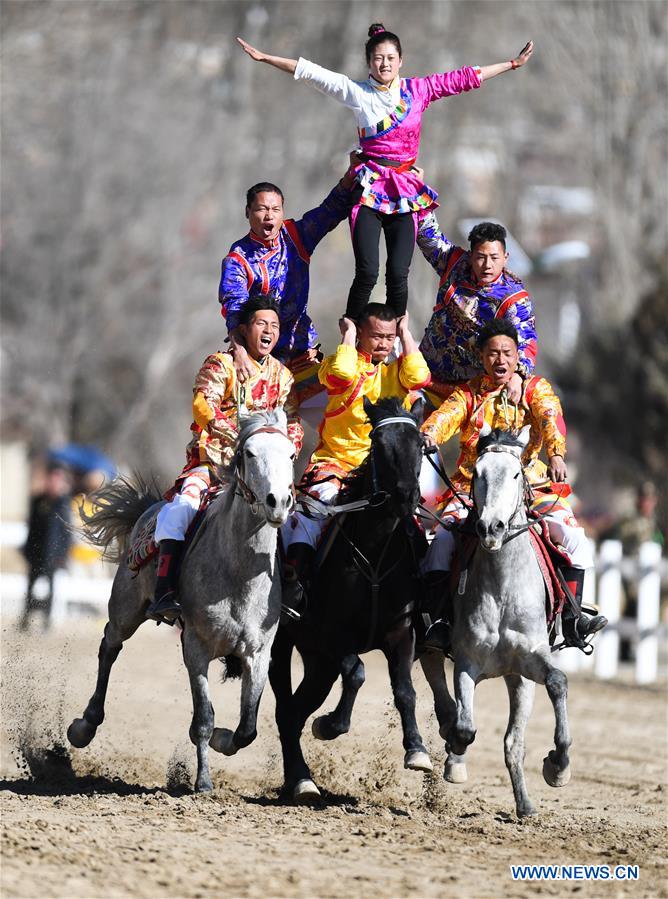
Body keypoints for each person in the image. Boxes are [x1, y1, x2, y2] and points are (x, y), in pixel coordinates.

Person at [237, 25, 533, 321]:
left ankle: (397, 336)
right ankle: (350, 337)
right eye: (379, 58)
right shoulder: (358, 93)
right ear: (369, 62)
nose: (385, 64)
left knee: (398, 274)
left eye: (391, 58)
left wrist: (510, 64)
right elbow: (310, 72)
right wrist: (265, 58)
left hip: (405, 191)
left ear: (401, 60)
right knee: (367, 272)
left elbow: (465, 78)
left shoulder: (419, 90)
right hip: (369, 190)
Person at [420, 319, 606, 652]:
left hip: (531, 487)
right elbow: (445, 416)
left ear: (518, 355)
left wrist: (557, 456)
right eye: (492, 353)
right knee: (442, 541)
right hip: (472, 489)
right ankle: (439, 622)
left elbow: (551, 418)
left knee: (575, 538)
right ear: (481, 356)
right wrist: (428, 434)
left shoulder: (536, 389)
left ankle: (573, 620)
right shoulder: (468, 394)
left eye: (507, 352)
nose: (500, 360)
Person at [147, 297, 304, 624]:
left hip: (263, 471)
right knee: (181, 509)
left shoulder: (283, 376)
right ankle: (164, 590)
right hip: (214, 465)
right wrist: (240, 438)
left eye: (275, 326)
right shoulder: (221, 364)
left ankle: (291, 592)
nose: (269, 331)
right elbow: (203, 405)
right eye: (262, 323)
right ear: (245, 329)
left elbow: (293, 422)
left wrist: (286, 451)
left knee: (297, 519)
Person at [281, 304, 431, 614]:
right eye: (376, 336)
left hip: (381, 473)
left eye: (389, 338)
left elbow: (420, 376)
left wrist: (405, 333)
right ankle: (294, 587)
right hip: (335, 465)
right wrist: (348, 334)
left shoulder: (397, 372)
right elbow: (342, 373)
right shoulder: (339, 363)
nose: (383, 344)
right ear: (360, 333)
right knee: (312, 518)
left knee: (414, 525)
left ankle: (425, 604)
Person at [219, 171, 355, 401]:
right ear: (248, 212)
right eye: (262, 209)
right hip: (260, 361)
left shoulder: (295, 237)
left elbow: (330, 211)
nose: (269, 217)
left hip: (303, 352)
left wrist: (353, 175)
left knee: (338, 412)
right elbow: (235, 310)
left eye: (275, 210)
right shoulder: (238, 260)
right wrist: (240, 352)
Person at [417, 216, 537, 405]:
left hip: (471, 391)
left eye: (494, 258)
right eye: (481, 257)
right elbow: (427, 235)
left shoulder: (514, 299)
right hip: (426, 374)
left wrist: (518, 375)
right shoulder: (455, 263)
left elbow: (526, 342)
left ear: (505, 258)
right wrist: (412, 193)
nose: (487, 265)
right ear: (471, 255)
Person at [20, 461, 72, 630]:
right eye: (52, 479)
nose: (54, 483)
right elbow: (31, 528)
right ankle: (26, 619)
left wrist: (63, 556)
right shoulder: (38, 501)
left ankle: (46, 621)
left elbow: (66, 534)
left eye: (57, 479)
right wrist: (27, 551)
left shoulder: (64, 503)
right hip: (36, 554)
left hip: (53, 556)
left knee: (50, 589)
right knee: (30, 588)